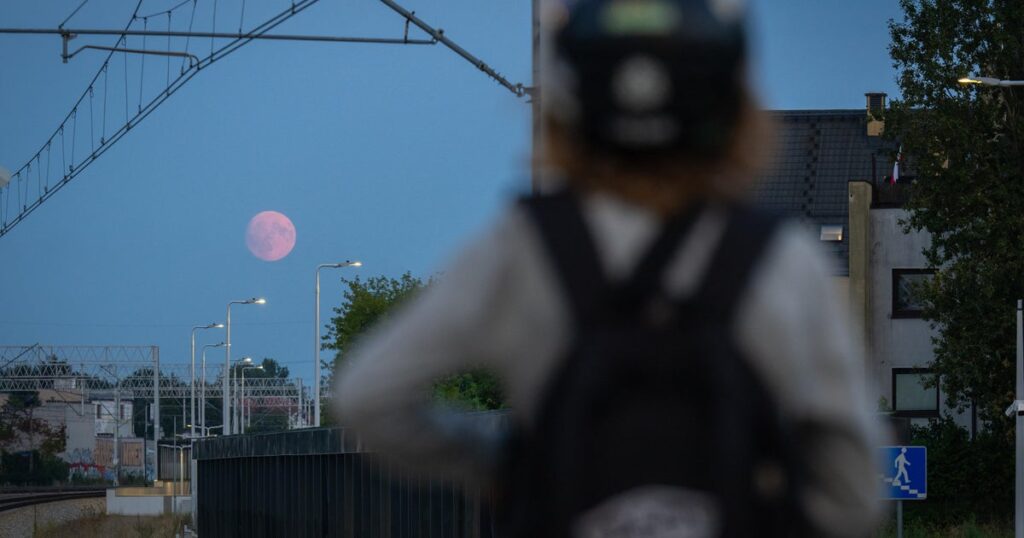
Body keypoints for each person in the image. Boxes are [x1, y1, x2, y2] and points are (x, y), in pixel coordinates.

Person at [333, 0, 882, 536]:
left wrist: (510, 469)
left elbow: (367, 400)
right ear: (732, 108)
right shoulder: (784, 261)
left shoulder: (518, 251)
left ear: (568, 109)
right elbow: (855, 492)